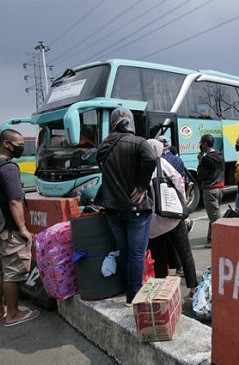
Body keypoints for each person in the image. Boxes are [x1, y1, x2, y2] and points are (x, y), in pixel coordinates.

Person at [96, 107, 156, 305]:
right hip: (136, 208)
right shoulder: (139, 142)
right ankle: (133, 296)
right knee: (137, 253)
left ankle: (126, 288)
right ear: (130, 121)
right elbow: (151, 159)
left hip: (112, 209)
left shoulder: (104, 146)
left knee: (124, 251)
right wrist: (141, 184)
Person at [0, 129, 40, 325]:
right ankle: (13, 314)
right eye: (19, 144)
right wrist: (23, 229)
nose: (21, 147)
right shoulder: (9, 168)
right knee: (12, 272)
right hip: (9, 229)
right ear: (6, 144)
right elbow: (15, 201)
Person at [146, 139, 198, 295]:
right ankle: (193, 287)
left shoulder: (140, 167)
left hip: (154, 224)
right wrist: (181, 201)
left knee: (159, 258)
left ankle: (163, 292)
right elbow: (178, 181)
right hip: (173, 217)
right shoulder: (161, 163)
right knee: (185, 253)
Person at [197, 134, 225, 247]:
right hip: (219, 188)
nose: (200, 144)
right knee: (214, 213)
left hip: (210, 189)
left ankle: (217, 241)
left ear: (205, 144)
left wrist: (200, 162)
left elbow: (201, 176)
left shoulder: (206, 159)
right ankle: (211, 237)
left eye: (201, 142)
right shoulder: (219, 155)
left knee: (214, 216)